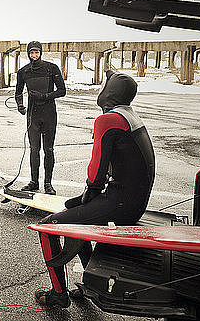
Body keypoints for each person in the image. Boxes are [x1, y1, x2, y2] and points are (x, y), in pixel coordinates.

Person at [34, 70, 155, 307]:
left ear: (109, 92)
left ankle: (58, 295)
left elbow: (97, 172)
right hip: (132, 201)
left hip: (119, 203)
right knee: (78, 217)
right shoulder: (129, 115)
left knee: (47, 227)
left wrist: (89, 192)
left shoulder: (108, 120)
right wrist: (85, 198)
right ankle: (91, 285)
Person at [14, 41, 66, 195]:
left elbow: (62, 90)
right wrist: (20, 105)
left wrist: (44, 96)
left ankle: (48, 184)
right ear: (28, 53)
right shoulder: (23, 72)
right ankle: (34, 181)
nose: (34, 56)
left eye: (36, 53)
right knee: (34, 149)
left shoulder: (51, 68)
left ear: (40, 53)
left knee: (48, 150)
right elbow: (18, 92)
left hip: (49, 114)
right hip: (33, 115)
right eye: (31, 53)